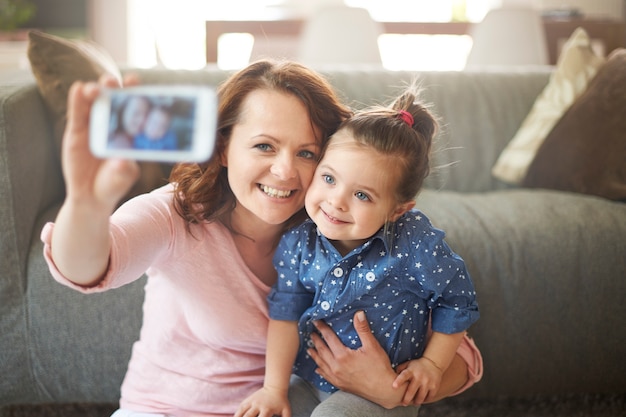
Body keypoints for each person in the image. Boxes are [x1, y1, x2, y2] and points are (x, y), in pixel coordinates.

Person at [41, 59, 482, 417]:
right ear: (222, 148)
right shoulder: (176, 212)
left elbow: (462, 358)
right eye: (264, 146)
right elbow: (89, 265)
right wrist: (85, 204)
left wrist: (389, 391)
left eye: (307, 153)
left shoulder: (342, 229)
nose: (286, 171)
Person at [236, 86, 480, 417]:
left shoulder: (414, 244)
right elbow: (286, 313)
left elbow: (457, 300)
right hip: (310, 377)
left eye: (362, 195)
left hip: (379, 393)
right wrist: (273, 389)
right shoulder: (299, 241)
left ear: (397, 210)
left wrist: (432, 365)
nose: (336, 201)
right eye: (329, 178)